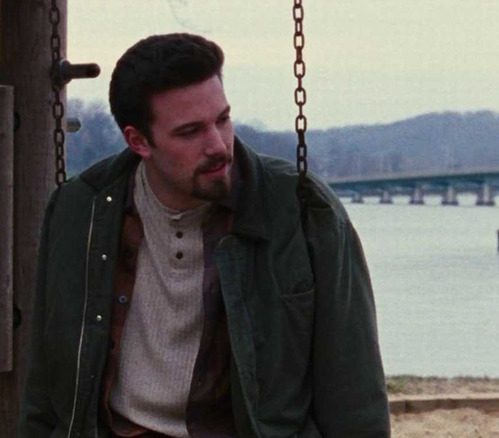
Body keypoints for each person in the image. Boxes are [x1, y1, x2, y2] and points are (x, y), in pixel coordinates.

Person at [19, 33, 390, 437]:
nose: (218, 145)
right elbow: (44, 386)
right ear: (139, 140)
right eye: (190, 131)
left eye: (223, 119)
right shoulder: (81, 209)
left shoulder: (301, 210)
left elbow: (355, 392)